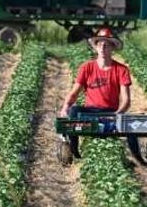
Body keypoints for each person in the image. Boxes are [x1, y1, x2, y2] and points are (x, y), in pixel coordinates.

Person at [58, 26, 138, 160]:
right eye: (99, 44)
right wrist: (65, 107)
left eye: (106, 45)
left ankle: (139, 158)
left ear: (112, 48)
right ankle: (75, 150)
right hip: (90, 111)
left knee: (129, 124)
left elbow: (126, 100)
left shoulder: (121, 70)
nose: (102, 48)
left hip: (111, 111)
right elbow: (74, 92)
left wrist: (118, 114)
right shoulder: (87, 67)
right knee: (74, 111)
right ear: (95, 47)